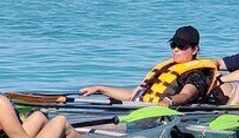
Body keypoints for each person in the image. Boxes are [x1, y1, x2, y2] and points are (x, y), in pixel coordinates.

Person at [80, 25, 219, 106]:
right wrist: (99, 88)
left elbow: (186, 95)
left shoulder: (197, 74)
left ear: (194, 50)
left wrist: (168, 101)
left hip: (167, 119)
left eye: (181, 46)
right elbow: (132, 95)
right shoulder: (166, 68)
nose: (175, 49)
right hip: (143, 110)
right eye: (173, 45)